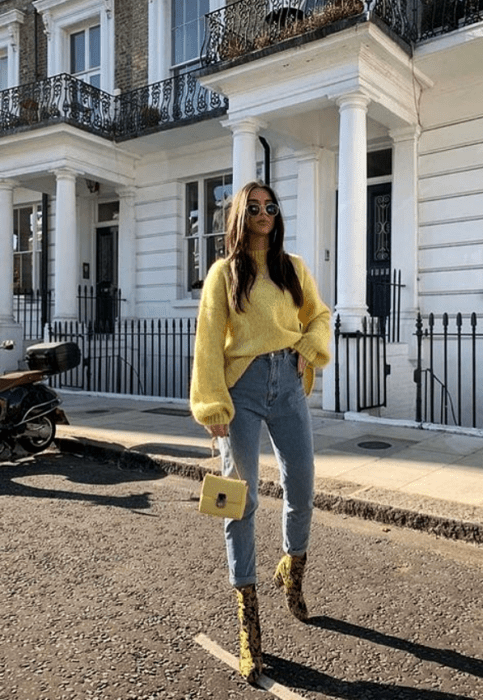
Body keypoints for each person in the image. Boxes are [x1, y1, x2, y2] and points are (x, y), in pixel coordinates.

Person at [190, 180, 331, 683]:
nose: (265, 213)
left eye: (271, 206)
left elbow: (319, 315)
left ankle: (292, 570)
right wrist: (212, 405)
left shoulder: (292, 268)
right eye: (254, 207)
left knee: (303, 485)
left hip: (288, 383)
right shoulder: (224, 274)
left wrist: (307, 347)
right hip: (242, 390)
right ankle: (249, 621)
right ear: (239, 216)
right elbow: (208, 341)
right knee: (239, 499)